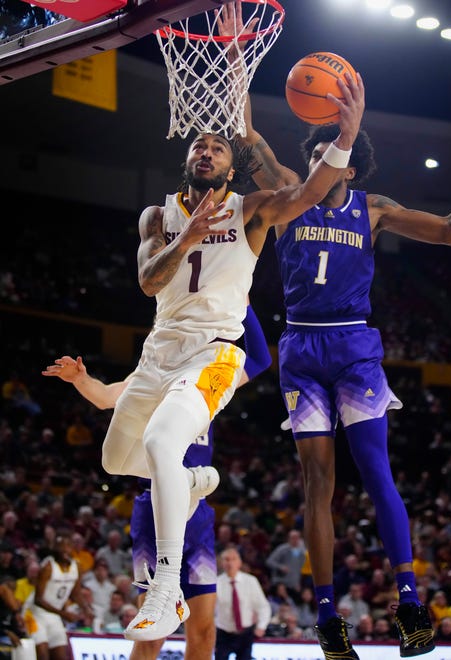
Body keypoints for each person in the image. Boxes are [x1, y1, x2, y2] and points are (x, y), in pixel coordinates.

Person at [94, 58, 364, 644]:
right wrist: (187, 237)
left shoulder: (253, 209)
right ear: (188, 160)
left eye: (218, 146)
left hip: (216, 353)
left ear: (231, 165)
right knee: (117, 461)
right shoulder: (156, 217)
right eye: (200, 144)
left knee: (166, 443)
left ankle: (166, 591)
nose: (208, 149)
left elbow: (314, 190)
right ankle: (191, 483)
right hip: (156, 353)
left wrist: (345, 135)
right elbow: (147, 283)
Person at [237, 51, 451, 660]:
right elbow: (246, 137)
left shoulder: (375, 210)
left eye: (327, 154)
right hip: (301, 348)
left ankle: (410, 602)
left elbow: (449, 231)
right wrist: (235, 62)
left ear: (349, 168)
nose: (316, 160)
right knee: (317, 483)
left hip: (355, 345)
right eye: (311, 153)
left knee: (375, 472)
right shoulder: (289, 198)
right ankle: (328, 617)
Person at [42, 302, 273, 660]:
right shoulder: (147, 377)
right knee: (150, 638)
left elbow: (259, 359)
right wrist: (81, 380)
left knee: (205, 631)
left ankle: (190, 482)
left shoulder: (212, 373)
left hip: (197, 515)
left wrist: (237, 294)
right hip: (154, 510)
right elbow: (105, 397)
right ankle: (186, 482)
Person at [27, 532, 92, 660]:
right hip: (34, 614)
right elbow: (38, 600)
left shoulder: (77, 567)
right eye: (60, 546)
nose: (64, 549)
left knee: (61, 656)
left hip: (54, 615)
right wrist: (64, 614)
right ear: (55, 549)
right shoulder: (47, 567)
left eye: (67, 545)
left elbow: (76, 593)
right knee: (42, 655)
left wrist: (86, 609)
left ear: (72, 547)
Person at [215, 546, 271, 660]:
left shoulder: (250, 581)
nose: (230, 563)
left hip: (245, 633)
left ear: (239, 562)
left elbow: (262, 606)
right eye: (226, 559)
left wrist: (261, 626)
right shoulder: (216, 583)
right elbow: (210, 611)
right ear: (222, 563)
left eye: (233, 559)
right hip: (223, 633)